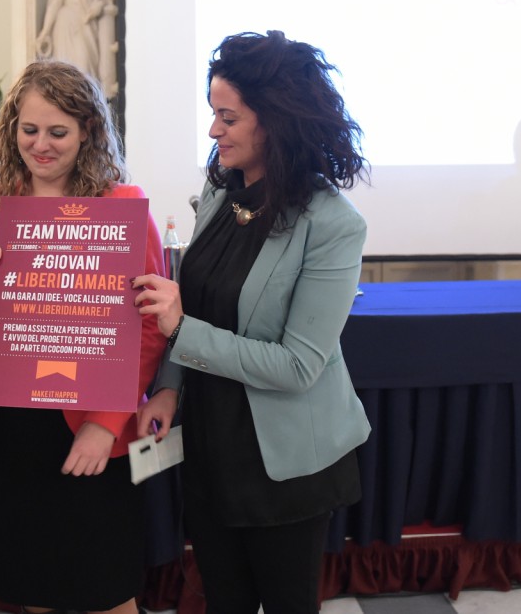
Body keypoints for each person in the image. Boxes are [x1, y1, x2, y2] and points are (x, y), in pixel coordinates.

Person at [136, 30, 371, 614]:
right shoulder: (220, 191)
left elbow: (297, 367)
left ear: (275, 122)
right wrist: (167, 388)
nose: (214, 131)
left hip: (285, 466)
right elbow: (197, 304)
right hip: (212, 447)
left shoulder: (334, 223)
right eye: (212, 114)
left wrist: (179, 331)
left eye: (227, 117)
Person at [0, 60, 166, 614]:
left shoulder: (122, 207)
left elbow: (150, 331)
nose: (40, 145)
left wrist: (101, 426)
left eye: (58, 131)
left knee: (106, 593)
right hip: (10, 431)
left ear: (87, 130)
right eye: (28, 129)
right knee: (33, 589)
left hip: (92, 431)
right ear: (11, 129)